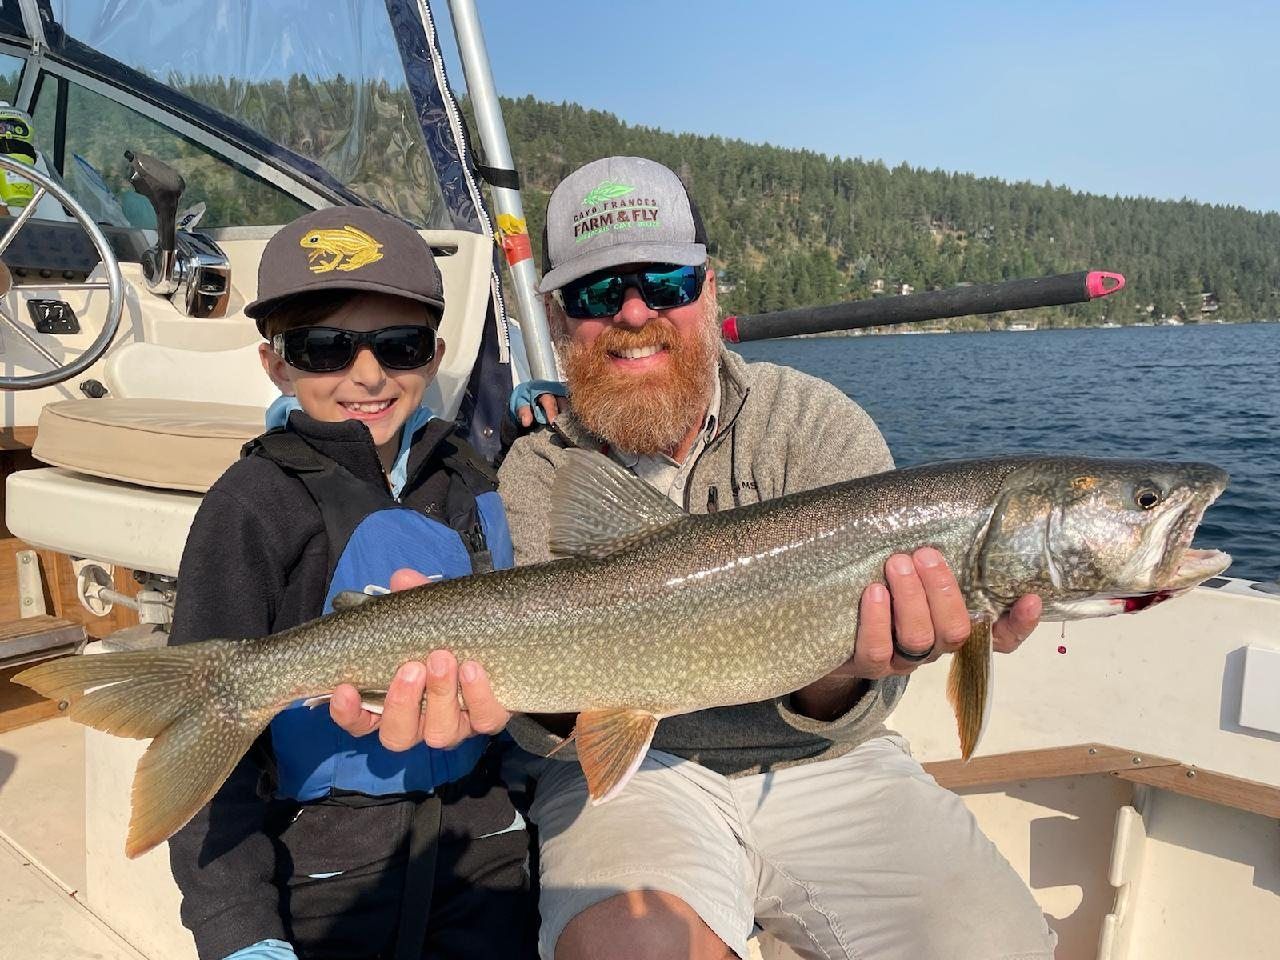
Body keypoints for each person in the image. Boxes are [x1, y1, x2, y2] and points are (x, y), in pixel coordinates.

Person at [335, 157, 1056, 960]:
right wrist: (485, 693)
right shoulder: (538, 468)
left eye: (665, 282)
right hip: (635, 779)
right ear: (558, 316)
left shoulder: (816, 426)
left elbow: (858, 706)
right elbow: (555, 735)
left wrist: (850, 664)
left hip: (829, 759)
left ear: (709, 291)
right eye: (598, 294)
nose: (634, 313)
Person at [166, 206, 536, 960]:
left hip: (485, 852)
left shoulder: (472, 479)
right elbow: (206, 758)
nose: (366, 375)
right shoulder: (249, 506)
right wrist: (241, 932)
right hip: (330, 873)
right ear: (276, 363)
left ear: (433, 356)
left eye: (397, 346)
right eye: (325, 348)